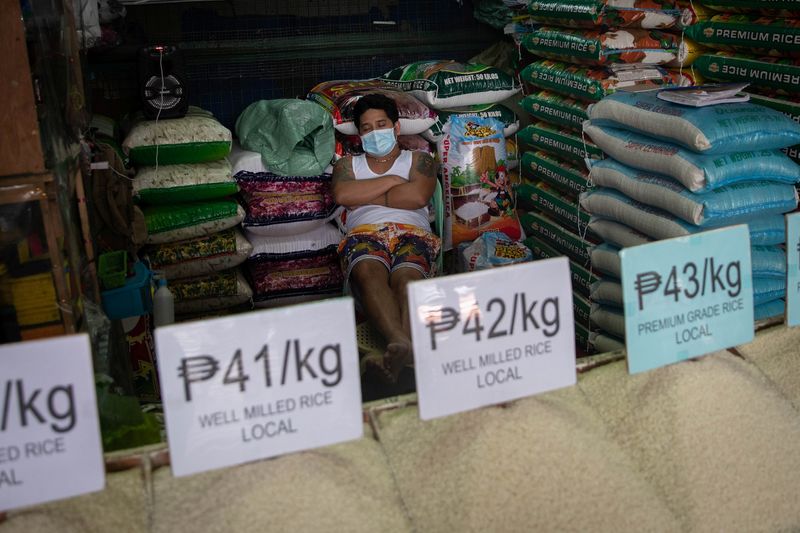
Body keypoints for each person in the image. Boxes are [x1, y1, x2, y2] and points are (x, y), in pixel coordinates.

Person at [333, 93, 440, 384]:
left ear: (395, 128)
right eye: (367, 128)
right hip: (365, 234)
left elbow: (418, 195)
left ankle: (407, 358)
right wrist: (394, 183)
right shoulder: (347, 166)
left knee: (406, 279)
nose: (375, 132)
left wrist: (367, 193)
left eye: (381, 124)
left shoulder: (419, 159)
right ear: (360, 134)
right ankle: (401, 343)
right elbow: (343, 195)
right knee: (369, 273)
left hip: (413, 233)